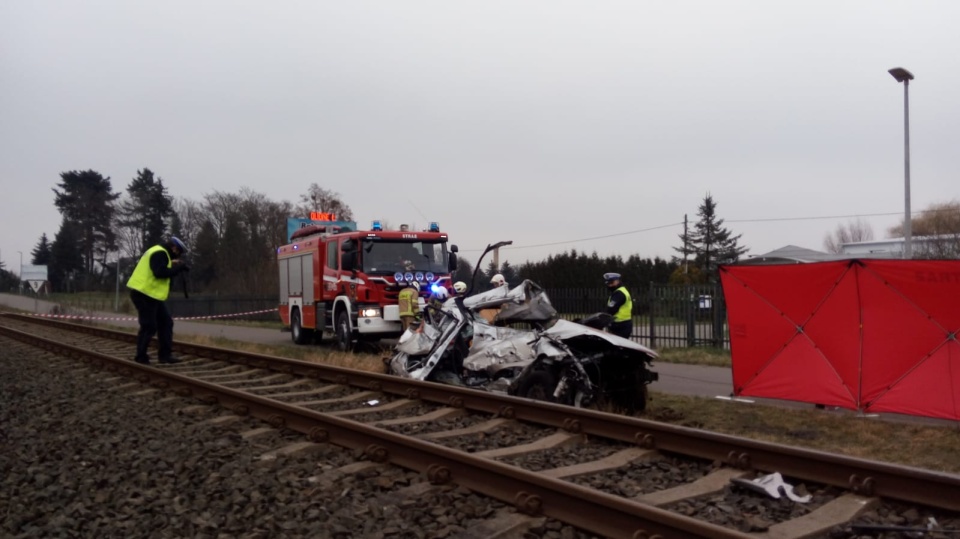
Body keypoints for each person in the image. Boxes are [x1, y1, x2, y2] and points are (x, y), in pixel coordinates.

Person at [126, 237, 190, 365]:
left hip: (153, 295)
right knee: (149, 326)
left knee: (166, 323)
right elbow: (159, 272)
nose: (178, 255)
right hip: (143, 294)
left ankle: (165, 356)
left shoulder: (162, 253)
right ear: (174, 248)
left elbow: (160, 268)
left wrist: (173, 265)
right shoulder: (159, 253)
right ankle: (141, 357)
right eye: (179, 252)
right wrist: (179, 268)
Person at [603, 272, 633, 340]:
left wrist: (603, 318)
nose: (609, 285)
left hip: (620, 325)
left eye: (611, 282)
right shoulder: (622, 291)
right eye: (608, 283)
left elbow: (611, 309)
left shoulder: (619, 293)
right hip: (624, 324)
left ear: (617, 281)